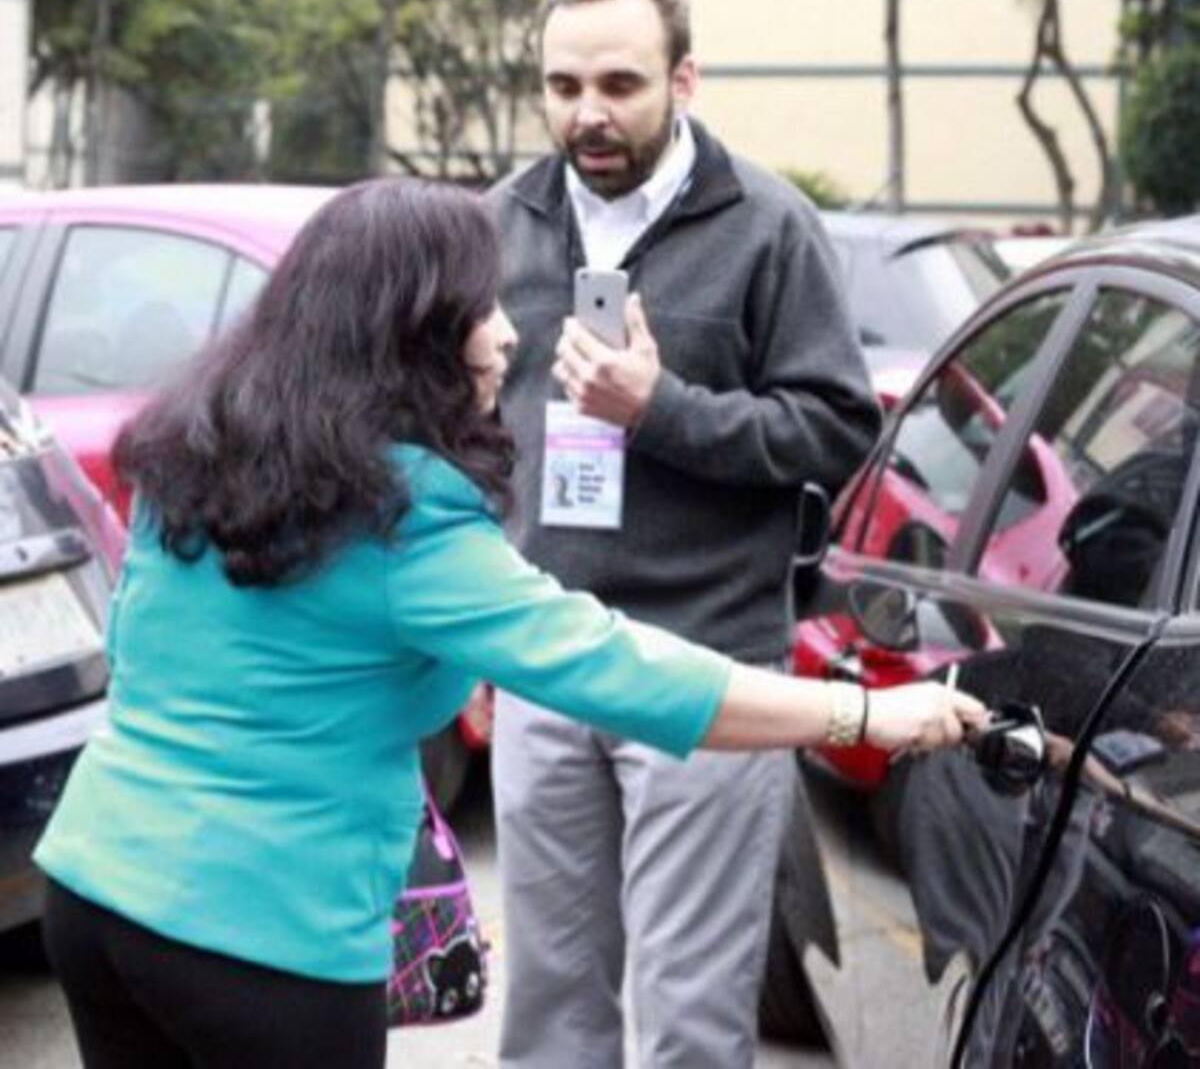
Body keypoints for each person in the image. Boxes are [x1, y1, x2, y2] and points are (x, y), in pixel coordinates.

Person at [34, 179, 981, 1069]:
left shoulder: (195, 450)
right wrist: (862, 714)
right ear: (414, 334)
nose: (507, 334)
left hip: (96, 888)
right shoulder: (405, 519)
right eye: (481, 309)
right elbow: (619, 670)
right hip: (261, 939)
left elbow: (150, 649)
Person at [489, 0, 882, 1068]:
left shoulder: (769, 226)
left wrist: (659, 411)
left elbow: (837, 428)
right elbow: (462, 431)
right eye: (564, 86)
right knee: (550, 1009)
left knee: (691, 1016)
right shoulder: (501, 223)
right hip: (546, 659)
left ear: (684, 80)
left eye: (620, 84)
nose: (589, 113)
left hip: (706, 665)